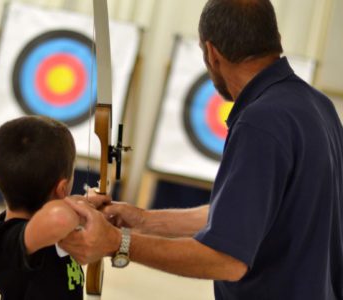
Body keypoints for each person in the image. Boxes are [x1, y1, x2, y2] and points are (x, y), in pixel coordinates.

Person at [58, 0, 343, 299]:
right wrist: (142, 220)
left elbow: (227, 260)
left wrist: (117, 242)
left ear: (212, 53)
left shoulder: (261, 122)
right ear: (276, 40)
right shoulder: (317, 106)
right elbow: (244, 214)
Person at [0, 116, 110, 300]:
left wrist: (85, 203)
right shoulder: (4, 244)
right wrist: (81, 210)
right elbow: (59, 218)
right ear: (62, 188)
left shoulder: (38, 229)